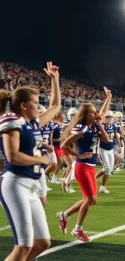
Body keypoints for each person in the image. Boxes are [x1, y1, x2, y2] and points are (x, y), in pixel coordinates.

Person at [0, 61, 60, 261]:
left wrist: (55, 80)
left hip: (32, 185)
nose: (38, 105)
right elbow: (12, 156)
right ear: (23, 106)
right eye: (35, 102)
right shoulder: (12, 120)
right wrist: (40, 158)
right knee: (23, 246)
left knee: (43, 242)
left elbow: (55, 106)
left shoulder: (32, 122)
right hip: (16, 183)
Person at [58, 87, 111, 242]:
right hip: (82, 166)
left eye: (96, 112)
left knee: (92, 200)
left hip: (91, 166)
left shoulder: (94, 124)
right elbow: (64, 146)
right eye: (93, 113)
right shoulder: (81, 128)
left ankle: (64, 215)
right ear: (85, 115)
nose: (96, 115)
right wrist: (78, 155)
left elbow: (107, 140)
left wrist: (108, 97)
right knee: (89, 199)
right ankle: (77, 229)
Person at [96, 110, 121, 193]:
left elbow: (116, 136)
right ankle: (93, 179)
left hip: (110, 149)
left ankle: (102, 187)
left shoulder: (113, 126)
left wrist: (119, 145)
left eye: (110, 117)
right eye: (107, 117)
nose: (109, 118)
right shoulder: (100, 126)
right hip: (102, 149)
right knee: (107, 168)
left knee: (109, 169)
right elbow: (102, 138)